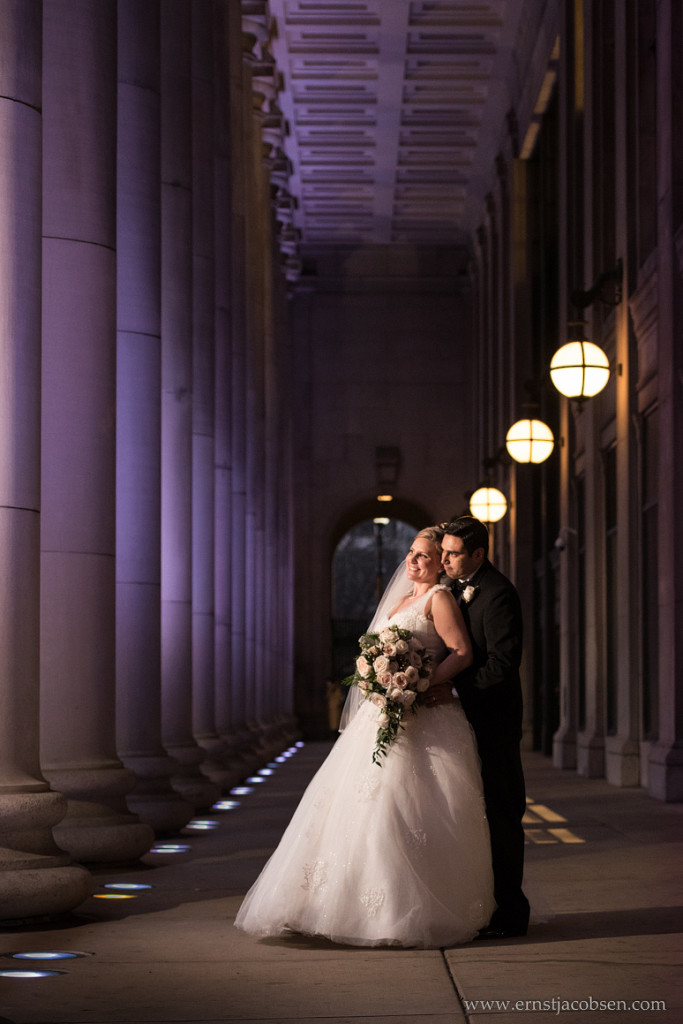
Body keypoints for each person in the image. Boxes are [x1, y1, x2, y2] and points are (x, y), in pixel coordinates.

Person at [234, 526, 495, 949]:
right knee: (355, 803)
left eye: (425, 556)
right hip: (383, 712)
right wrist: (379, 677)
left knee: (402, 805)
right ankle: (327, 903)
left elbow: (461, 651)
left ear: (439, 563)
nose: (414, 561)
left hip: (423, 715)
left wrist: (423, 685)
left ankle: (403, 909)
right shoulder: (401, 600)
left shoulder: (439, 598)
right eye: (412, 552)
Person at [433, 515, 530, 939]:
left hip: (493, 723)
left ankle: (511, 912)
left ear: (478, 554)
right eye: (444, 552)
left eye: (453, 554)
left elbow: (503, 666)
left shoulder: (499, 593)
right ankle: (482, 905)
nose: (445, 559)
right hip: (458, 726)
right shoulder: (451, 589)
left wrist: (453, 692)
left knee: (502, 816)